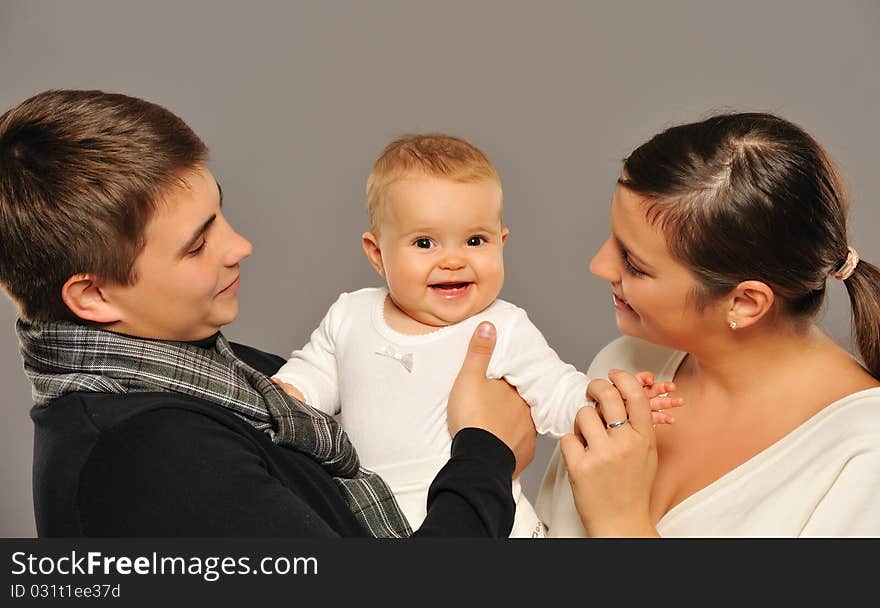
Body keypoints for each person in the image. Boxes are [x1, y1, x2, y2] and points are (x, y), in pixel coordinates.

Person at [0, 89, 537, 537]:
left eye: (220, 213)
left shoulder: (227, 378)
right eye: (195, 245)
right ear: (92, 297)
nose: (239, 246)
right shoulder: (146, 458)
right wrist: (486, 454)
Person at [272, 134, 680, 536]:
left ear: (501, 242)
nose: (453, 260)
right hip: (368, 510)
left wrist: (611, 403)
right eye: (425, 242)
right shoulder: (351, 314)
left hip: (486, 515)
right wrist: (284, 394)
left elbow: (555, 391)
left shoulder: (502, 326)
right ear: (378, 254)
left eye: (475, 240)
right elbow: (312, 377)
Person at [535, 112, 880, 537]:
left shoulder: (866, 458)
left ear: (745, 302)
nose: (598, 265)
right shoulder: (625, 366)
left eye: (635, 265)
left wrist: (618, 522)